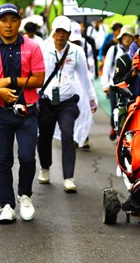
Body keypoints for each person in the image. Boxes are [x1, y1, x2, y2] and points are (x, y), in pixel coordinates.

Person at [0, 3, 45, 224]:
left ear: (19, 23)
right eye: (4, 20)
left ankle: (24, 196)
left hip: (27, 112)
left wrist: (11, 81)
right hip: (1, 113)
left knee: (26, 157)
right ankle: (6, 205)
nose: (8, 25)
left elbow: (38, 79)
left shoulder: (32, 47)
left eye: (13, 20)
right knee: (3, 160)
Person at [37, 15, 98, 193]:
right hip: (47, 101)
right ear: (53, 32)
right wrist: (34, 99)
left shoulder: (76, 51)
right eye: (58, 32)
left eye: (65, 32)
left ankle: (68, 177)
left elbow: (85, 77)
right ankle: (45, 168)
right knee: (44, 137)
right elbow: (34, 74)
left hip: (68, 102)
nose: (61, 36)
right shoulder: (43, 48)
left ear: (69, 34)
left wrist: (92, 99)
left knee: (67, 134)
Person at [101, 24, 135, 140]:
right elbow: (106, 68)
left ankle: (125, 134)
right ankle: (114, 126)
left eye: (130, 36)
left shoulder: (135, 52)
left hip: (130, 86)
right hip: (115, 85)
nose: (127, 38)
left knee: (129, 110)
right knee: (115, 108)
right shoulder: (114, 49)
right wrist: (105, 85)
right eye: (125, 36)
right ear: (121, 37)